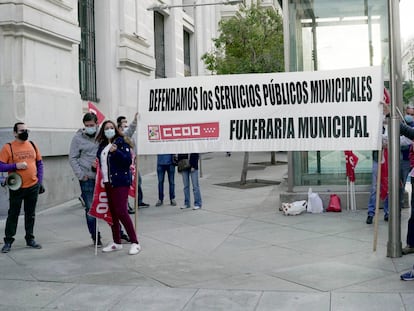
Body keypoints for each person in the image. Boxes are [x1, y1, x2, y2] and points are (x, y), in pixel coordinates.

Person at [96, 120, 141, 255]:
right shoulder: (103, 145)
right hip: (108, 182)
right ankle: (117, 241)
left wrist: (116, 152)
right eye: (106, 128)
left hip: (120, 181)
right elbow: (102, 162)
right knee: (113, 213)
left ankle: (135, 242)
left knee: (122, 211)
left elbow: (127, 160)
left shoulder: (121, 142)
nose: (109, 130)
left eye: (111, 128)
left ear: (115, 129)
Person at [0, 122, 44, 253]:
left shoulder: (32, 145)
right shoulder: (8, 148)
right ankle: (8, 241)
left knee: (30, 214)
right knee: (13, 214)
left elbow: (40, 164)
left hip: (33, 186)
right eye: (21, 131)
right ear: (14, 133)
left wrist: (39, 182)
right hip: (17, 187)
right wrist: (15, 166)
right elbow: (1, 166)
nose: (25, 132)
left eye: (26, 130)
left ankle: (30, 239)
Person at [69, 112, 103, 247]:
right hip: (87, 179)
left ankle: (119, 233)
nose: (89, 127)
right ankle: (95, 236)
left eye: (92, 125)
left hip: (103, 177)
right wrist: (81, 175)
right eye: (87, 125)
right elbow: (72, 158)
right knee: (90, 209)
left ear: (97, 124)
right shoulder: (77, 138)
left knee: (111, 207)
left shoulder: (103, 135)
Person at [117, 114, 150, 211]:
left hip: (133, 165)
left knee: (138, 182)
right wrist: (135, 121)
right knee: (125, 186)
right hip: (124, 167)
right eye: (123, 126)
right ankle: (125, 205)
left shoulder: (129, 138)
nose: (125, 128)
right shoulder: (118, 138)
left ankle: (139, 201)